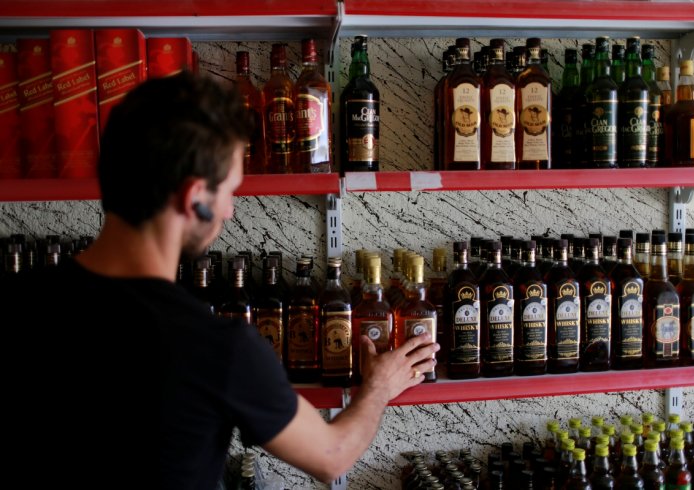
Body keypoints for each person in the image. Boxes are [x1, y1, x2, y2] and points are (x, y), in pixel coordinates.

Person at [1, 71, 438, 490]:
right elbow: (333, 456)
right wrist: (379, 386)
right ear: (195, 199)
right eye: (229, 192)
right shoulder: (216, 346)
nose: (229, 211)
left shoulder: (17, 303)